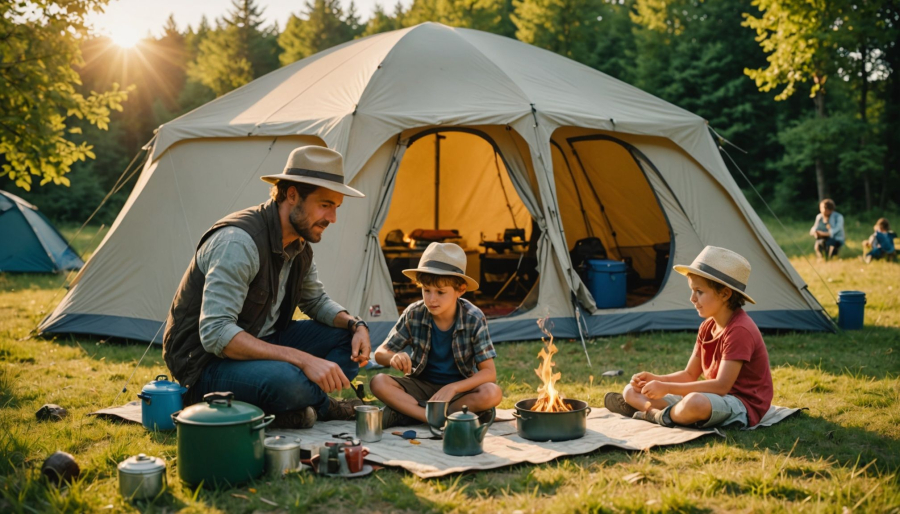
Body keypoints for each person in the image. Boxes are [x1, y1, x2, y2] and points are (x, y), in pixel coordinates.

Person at [162, 146, 372, 429]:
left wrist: (357, 325)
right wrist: (303, 360)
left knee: (347, 341)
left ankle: (289, 405)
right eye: (325, 204)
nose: (332, 218)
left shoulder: (299, 244)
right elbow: (216, 334)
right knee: (288, 379)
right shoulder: (238, 243)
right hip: (205, 366)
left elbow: (316, 301)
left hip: (265, 343)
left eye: (336, 207)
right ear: (292, 194)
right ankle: (322, 405)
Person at [604, 246, 773, 429]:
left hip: (741, 404)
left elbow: (722, 386)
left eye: (699, 291)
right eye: (692, 291)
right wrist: (656, 379)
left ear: (725, 294)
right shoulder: (707, 327)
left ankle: (655, 414)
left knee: (695, 403)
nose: (692, 298)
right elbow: (689, 374)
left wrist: (667, 388)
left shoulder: (740, 330)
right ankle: (665, 414)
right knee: (631, 391)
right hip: (713, 397)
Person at [370, 242, 503, 428]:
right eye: (426, 290)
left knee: (492, 393)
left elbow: (489, 373)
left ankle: (409, 414)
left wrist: (453, 387)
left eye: (441, 292)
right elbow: (380, 353)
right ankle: (434, 418)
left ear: (460, 290)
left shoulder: (474, 318)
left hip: (458, 391)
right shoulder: (414, 313)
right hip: (421, 386)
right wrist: (393, 357)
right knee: (378, 382)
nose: (432, 299)